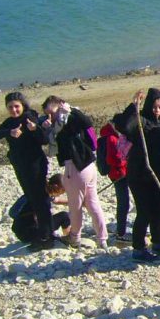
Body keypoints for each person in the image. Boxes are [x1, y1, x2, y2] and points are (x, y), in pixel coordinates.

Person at [114, 88, 160, 262]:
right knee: (144, 211)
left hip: (158, 174)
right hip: (139, 174)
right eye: (154, 106)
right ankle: (138, 249)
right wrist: (134, 106)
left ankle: (158, 242)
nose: (156, 110)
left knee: (158, 210)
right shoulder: (140, 121)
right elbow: (125, 126)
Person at [41, 95, 108, 249]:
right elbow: (86, 122)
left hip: (75, 166)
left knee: (75, 205)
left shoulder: (66, 121)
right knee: (92, 203)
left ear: (61, 106)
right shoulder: (67, 121)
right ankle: (102, 238)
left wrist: (65, 113)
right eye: (48, 114)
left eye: (52, 112)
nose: (51, 117)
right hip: (89, 164)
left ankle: (74, 237)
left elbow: (85, 122)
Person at [0, 92, 56, 248]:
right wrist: (9, 132)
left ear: (23, 105)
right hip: (21, 167)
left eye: (16, 106)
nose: (14, 110)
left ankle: (46, 237)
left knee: (40, 199)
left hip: (35, 165)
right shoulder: (9, 122)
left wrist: (34, 129)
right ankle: (43, 233)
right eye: (10, 107)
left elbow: (44, 140)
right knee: (32, 198)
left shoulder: (30, 117)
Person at [9, 173, 71, 249]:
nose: (64, 192)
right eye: (63, 190)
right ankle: (68, 237)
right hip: (30, 233)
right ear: (56, 187)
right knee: (64, 216)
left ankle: (66, 237)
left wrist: (76, 202)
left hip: (20, 232)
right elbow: (40, 218)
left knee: (58, 217)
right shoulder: (43, 199)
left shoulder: (39, 192)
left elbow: (57, 200)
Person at [98, 116, 132, 243]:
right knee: (124, 203)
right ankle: (121, 232)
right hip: (120, 174)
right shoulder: (112, 138)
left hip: (116, 174)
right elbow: (114, 159)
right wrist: (127, 161)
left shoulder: (108, 136)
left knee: (123, 202)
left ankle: (121, 230)